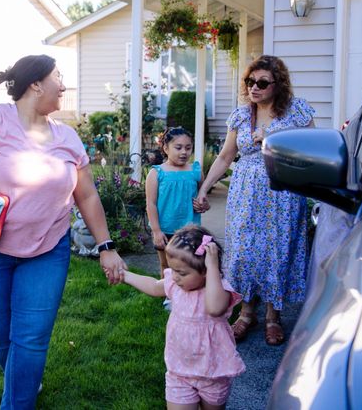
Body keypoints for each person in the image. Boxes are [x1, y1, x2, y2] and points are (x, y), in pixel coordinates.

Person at [0, 54, 127, 409]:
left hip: (47, 251)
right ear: (36, 83)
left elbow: (86, 195)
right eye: (59, 77)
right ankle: (25, 377)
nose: (64, 86)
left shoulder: (68, 138)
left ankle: (19, 396)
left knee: (30, 339)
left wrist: (106, 245)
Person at [196, 55, 315, 346]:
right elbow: (226, 156)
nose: (255, 88)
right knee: (245, 250)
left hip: (284, 193)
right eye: (250, 82)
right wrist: (204, 189)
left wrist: (273, 140)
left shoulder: (297, 111)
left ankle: (274, 317)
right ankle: (246, 313)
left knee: (279, 250)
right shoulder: (240, 115)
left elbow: (311, 147)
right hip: (246, 195)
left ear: (278, 85)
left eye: (262, 82)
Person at [120, 225, 246, 409]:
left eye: (182, 273)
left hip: (213, 373)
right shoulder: (175, 285)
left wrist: (212, 267)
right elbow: (155, 286)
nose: (175, 277)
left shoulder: (219, 290)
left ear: (205, 271)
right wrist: (126, 275)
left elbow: (214, 308)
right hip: (179, 371)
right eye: (173, 270)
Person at [145, 127, 209, 281]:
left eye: (188, 148)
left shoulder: (195, 171)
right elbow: (151, 204)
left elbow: (204, 198)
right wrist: (156, 231)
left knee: (190, 266)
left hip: (190, 229)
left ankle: (189, 295)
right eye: (178, 147)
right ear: (166, 148)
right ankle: (168, 296)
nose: (184, 152)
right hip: (165, 229)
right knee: (166, 266)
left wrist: (204, 205)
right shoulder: (156, 173)